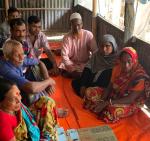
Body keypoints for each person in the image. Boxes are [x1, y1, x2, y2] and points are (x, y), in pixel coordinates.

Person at [83, 47, 149, 123]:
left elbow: (130, 99)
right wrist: (102, 100)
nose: (126, 65)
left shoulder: (139, 77)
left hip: (129, 103)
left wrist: (108, 102)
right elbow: (109, 87)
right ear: (120, 61)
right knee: (89, 91)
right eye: (123, 62)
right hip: (114, 95)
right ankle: (99, 106)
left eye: (129, 61)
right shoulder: (117, 68)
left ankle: (100, 107)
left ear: (134, 60)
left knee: (111, 111)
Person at [59, 12, 97, 78]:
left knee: (93, 68)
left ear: (82, 24)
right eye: (74, 25)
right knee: (63, 66)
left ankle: (74, 75)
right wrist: (72, 69)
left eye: (78, 25)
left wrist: (89, 64)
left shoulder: (88, 35)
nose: (76, 28)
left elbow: (95, 51)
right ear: (70, 25)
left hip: (85, 63)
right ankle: (78, 75)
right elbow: (64, 56)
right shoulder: (66, 38)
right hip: (71, 64)